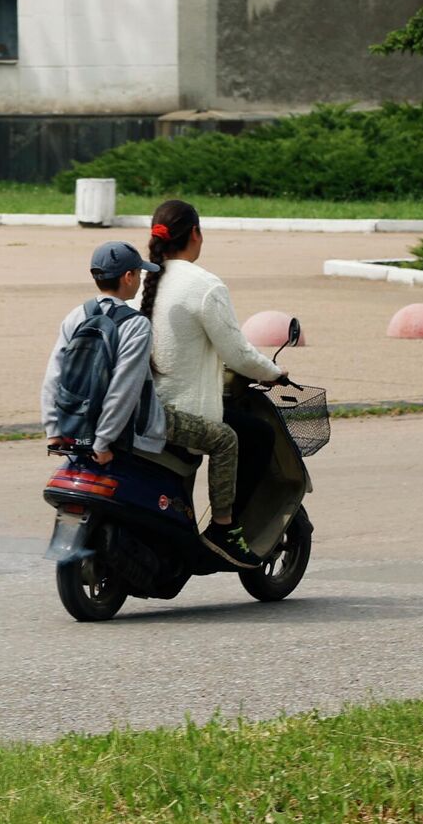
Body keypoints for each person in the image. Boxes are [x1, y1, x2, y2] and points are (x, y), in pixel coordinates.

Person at [141, 199, 285, 569]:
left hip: (142, 406)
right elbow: (237, 353)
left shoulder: (139, 279)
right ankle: (225, 528)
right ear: (195, 234)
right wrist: (273, 372)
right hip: (183, 412)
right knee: (257, 435)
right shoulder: (204, 285)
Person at [40, 241, 168, 464]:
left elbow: (54, 375)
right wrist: (102, 441)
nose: (140, 280)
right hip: (124, 434)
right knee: (221, 439)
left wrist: (52, 430)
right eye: (139, 274)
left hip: (74, 426)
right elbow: (124, 388)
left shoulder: (77, 315)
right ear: (128, 277)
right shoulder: (136, 324)